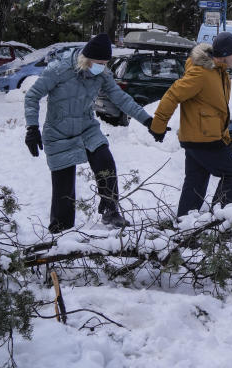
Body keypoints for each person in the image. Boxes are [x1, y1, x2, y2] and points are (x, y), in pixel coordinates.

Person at [24, 33, 153, 233]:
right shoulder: (59, 70)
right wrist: (32, 128)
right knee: (64, 190)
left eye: (104, 63)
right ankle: (61, 231)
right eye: (98, 62)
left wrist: (147, 120)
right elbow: (32, 96)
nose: (101, 66)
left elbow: (121, 98)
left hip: (86, 129)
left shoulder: (102, 75)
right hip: (59, 133)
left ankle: (110, 210)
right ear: (86, 59)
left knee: (106, 163)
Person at [148, 32, 232, 218]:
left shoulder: (219, 72)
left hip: (200, 137)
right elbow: (172, 95)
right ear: (225, 54)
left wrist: (226, 138)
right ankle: (219, 220)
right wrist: (158, 126)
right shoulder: (201, 73)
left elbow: (215, 109)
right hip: (204, 140)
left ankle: (184, 225)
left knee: (196, 182)